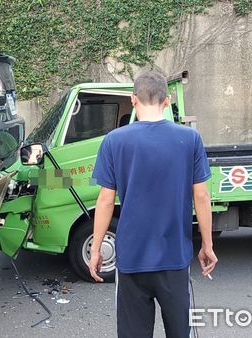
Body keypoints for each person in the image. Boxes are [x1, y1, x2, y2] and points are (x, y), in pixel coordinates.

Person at [89, 71, 218, 338]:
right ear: (167, 100)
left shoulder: (114, 140)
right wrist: (207, 245)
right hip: (174, 258)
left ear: (133, 99)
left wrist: (97, 249)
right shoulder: (189, 139)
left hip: (132, 259)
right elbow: (202, 197)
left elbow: (105, 199)